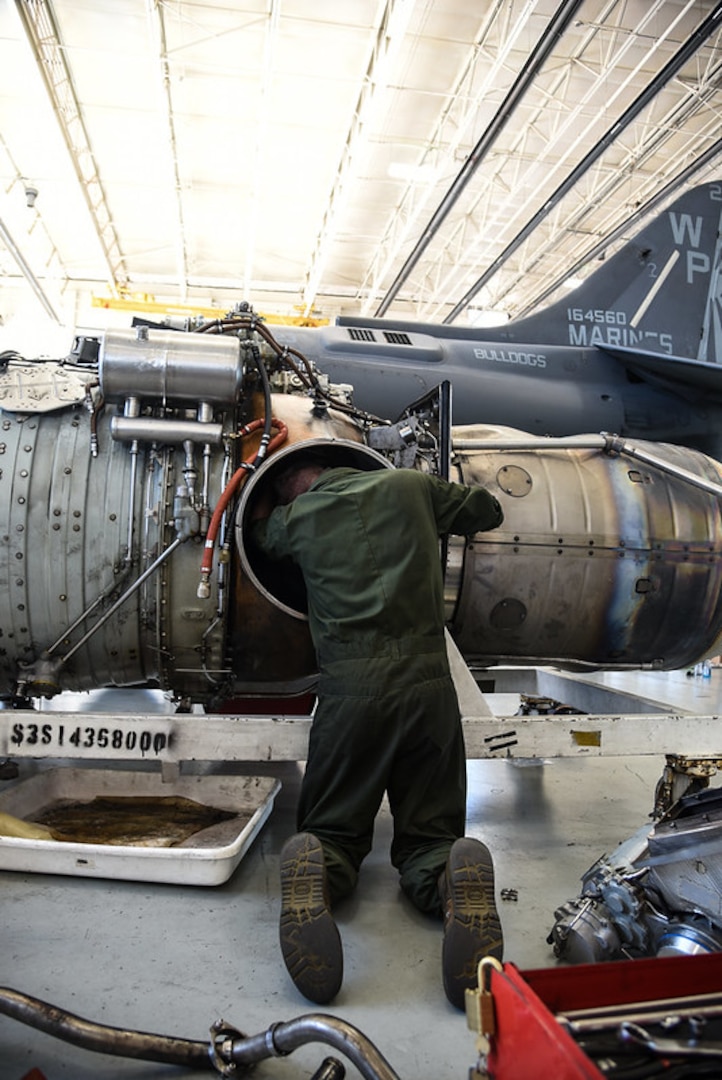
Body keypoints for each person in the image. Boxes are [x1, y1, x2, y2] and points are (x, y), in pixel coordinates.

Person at [249, 454, 504, 1010]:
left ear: (299, 489)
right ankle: (446, 875)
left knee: (334, 830)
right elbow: (488, 511)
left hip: (351, 692)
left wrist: (266, 497)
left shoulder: (298, 519)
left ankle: (318, 868)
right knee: (431, 832)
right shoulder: (408, 487)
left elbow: (258, 536)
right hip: (428, 686)